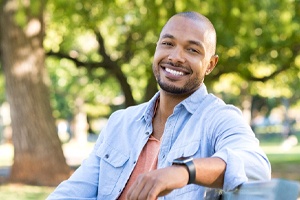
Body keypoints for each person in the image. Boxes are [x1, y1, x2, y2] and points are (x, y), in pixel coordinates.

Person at [47, 11, 271, 200]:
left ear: (210, 64)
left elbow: (257, 168)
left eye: (192, 49)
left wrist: (184, 172)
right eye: (168, 43)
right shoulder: (120, 122)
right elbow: (74, 192)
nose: (175, 57)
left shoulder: (219, 118)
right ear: (156, 49)